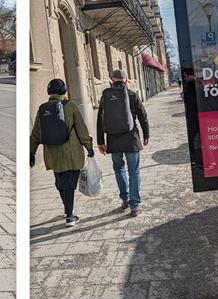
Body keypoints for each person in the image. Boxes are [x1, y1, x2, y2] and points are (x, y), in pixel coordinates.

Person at [30, 79, 94, 227]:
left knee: (60, 182)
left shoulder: (42, 108)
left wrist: (31, 152)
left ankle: (67, 209)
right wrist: (88, 146)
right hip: (71, 152)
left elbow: (36, 134)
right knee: (69, 184)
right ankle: (70, 216)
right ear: (64, 90)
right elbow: (81, 128)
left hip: (52, 153)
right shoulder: (70, 106)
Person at [97, 69, 150, 217]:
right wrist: (146, 134)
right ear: (126, 80)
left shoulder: (105, 96)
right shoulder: (133, 95)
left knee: (119, 169)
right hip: (131, 139)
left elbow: (100, 120)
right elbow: (143, 116)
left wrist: (101, 141)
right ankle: (135, 205)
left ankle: (125, 199)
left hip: (113, 140)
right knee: (134, 171)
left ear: (111, 80)